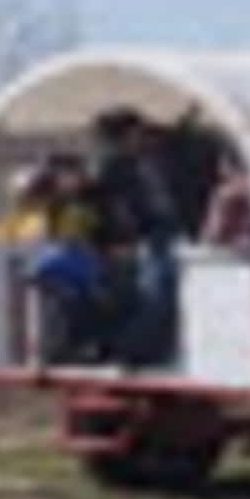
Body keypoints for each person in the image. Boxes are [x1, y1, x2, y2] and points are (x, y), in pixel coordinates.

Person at [90, 107, 182, 365]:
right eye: (137, 132)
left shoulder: (136, 160)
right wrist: (125, 238)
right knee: (157, 294)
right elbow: (114, 208)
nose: (142, 137)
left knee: (159, 291)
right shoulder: (113, 165)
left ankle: (145, 349)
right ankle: (129, 350)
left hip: (156, 233)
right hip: (146, 237)